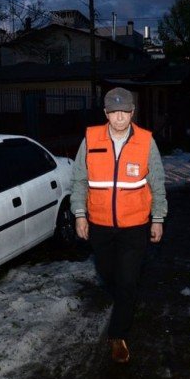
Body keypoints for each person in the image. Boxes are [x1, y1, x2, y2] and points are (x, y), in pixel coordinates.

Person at [70, 87, 167, 364]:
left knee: (127, 279)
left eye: (125, 111)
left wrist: (158, 218)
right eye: (114, 112)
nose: (120, 117)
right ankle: (126, 299)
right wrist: (79, 214)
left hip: (135, 225)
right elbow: (78, 179)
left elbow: (157, 183)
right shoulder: (90, 139)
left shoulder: (146, 141)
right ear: (106, 113)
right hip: (100, 224)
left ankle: (117, 335)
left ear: (133, 112)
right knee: (107, 273)